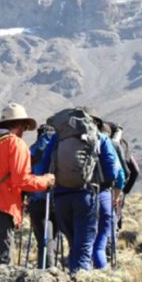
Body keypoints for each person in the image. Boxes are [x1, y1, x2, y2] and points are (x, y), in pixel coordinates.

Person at [0, 103, 55, 267]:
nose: (24, 131)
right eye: (25, 126)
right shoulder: (15, 143)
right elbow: (22, 180)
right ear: (20, 124)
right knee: (1, 266)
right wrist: (46, 181)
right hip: (0, 211)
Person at [37, 107, 122, 273]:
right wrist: (100, 181)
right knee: (83, 247)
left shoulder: (57, 138)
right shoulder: (100, 138)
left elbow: (42, 167)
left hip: (60, 197)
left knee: (74, 244)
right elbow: (113, 171)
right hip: (86, 196)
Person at [91, 121, 126, 270]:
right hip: (105, 193)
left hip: (78, 195)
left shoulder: (71, 141)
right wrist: (118, 195)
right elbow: (122, 174)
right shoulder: (110, 143)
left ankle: (82, 274)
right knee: (103, 239)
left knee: (85, 241)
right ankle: (105, 270)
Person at [28, 124, 57, 268]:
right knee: (52, 239)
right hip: (57, 199)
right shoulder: (58, 146)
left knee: (43, 241)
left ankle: (44, 272)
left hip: (36, 200)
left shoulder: (32, 149)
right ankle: (53, 271)